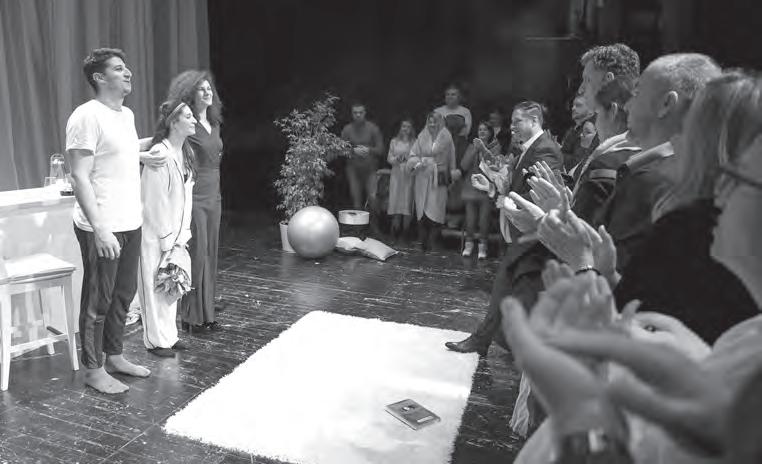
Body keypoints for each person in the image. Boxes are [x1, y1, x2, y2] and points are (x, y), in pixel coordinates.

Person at [66, 48, 161, 393]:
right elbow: (79, 176)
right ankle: (93, 370)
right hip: (102, 225)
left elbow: (119, 154)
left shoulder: (126, 115)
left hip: (130, 221)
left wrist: (148, 150)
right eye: (119, 69)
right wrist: (100, 229)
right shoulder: (86, 116)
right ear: (99, 77)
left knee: (123, 295)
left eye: (126, 67)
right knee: (98, 300)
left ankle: (115, 355)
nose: (128, 72)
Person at [137, 100, 196, 357]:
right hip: (156, 234)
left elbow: (187, 199)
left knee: (171, 285)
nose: (194, 120)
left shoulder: (185, 154)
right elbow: (154, 200)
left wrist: (182, 234)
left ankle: (169, 336)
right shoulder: (160, 153)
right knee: (153, 286)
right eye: (189, 116)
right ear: (174, 122)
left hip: (176, 234)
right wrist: (165, 237)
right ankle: (155, 341)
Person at [167, 70, 225, 333]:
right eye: (201, 89)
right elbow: (169, 147)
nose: (207, 92)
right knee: (197, 254)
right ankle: (191, 316)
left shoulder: (214, 123)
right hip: (196, 193)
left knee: (210, 252)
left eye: (209, 88)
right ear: (190, 94)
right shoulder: (186, 125)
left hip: (214, 195)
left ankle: (207, 314)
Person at [407, 112, 459, 251]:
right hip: (422, 177)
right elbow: (412, 155)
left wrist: (452, 174)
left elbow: (452, 157)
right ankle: (422, 240)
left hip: (439, 176)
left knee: (436, 209)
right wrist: (418, 162)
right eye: (430, 122)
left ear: (440, 122)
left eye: (435, 122)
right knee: (421, 209)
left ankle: (433, 240)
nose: (432, 124)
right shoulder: (422, 136)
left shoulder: (446, 136)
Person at [460, 121, 501, 258]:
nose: (482, 132)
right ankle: (469, 245)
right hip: (471, 188)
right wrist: (475, 150)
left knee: (484, 220)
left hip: (486, 188)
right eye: (479, 130)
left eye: (485, 130)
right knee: (470, 219)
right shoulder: (471, 147)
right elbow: (464, 165)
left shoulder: (495, 148)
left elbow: (495, 167)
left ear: (490, 132)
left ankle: (483, 247)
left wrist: (483, 150)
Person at [340, 102, 384, 212]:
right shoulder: (347, 129)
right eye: (355, 113)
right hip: (353, 169)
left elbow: (381, 150)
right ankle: (358, 223)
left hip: (370, 169)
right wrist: (353, 150)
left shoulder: (373, 128)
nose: (358, 115)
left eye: (360, 112)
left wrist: (368, 150)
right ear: (352, 114)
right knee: (356, 200)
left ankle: (375, 221)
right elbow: (340, 150)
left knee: (372, 198)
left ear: (365, 113)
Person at [386, 119, 416, 242]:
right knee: (395, 203)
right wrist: (396, 159)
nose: (405, 129)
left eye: (408, 127)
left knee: (407, 203)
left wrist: (408, 158)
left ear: (411, 129)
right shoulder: (394, 141)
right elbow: (389, 158)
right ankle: (394, 232)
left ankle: (405, 233)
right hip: (396, 174)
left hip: (408, 175)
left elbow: (417, 158)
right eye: (403, 126)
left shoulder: (415, 142)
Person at [560, 95, 598, 171]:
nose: (573, 108)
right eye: (573, 106)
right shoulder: (576, 128)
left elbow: (578, 161)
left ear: (591, 110)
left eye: (578, 105)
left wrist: (556, 152)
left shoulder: (589, 127)